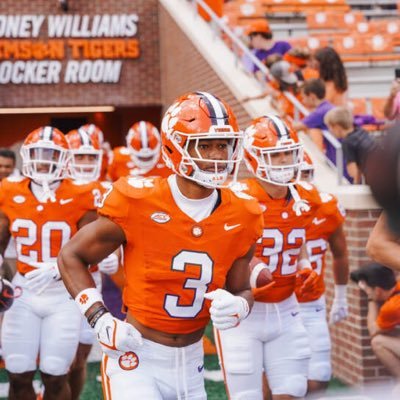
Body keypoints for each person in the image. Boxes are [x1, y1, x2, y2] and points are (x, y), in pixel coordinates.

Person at [58, 91, 264, 400]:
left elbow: (240, 288)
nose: (218, 156)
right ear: (174, 146)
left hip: (192, 362)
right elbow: (71, 254)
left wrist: (242, 305)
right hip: (137, 354)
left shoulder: (244, 213)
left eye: (223, 145)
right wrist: (98, 316)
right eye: (204, 145)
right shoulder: (137, 200)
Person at [216, 115, 321, 400]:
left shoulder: (307, 197)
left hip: (287, 309)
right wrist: (247, 267)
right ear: (253, 158)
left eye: (289, 152)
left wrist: (304, 266)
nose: (286, 160)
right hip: (243, 314)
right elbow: (216, 250)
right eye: (276, 154)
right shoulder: (236, 198)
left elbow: (297, 239)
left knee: (293, 391)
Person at [0, 126, 99, 400]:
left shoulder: (83, 192)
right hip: (24, 291)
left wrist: (59, 268)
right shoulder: (8, 189)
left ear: (65, 158)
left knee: (55, 375)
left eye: (51, 154)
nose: (43, 160)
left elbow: (93, 248)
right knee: (18, 372)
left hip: (63, 294)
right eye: (37, 153)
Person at [65, 127, 119, 400]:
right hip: (58, 282)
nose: (86, 163)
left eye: (90, 157)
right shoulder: (55, 189)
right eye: (80, 157)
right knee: (61, 360)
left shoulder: (107, 190)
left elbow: (124, 234)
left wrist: (115, 257)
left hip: (92, 281)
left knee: (81, 355)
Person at [296, 153, 349, 395]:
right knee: (281, 382)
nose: (304, 180)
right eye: (298, 173)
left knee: (319, 377)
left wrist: (341, 296)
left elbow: (340, 254)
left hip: (312, 301)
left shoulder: (327, 205)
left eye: (308, 173)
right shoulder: (267, 206)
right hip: (276, 303)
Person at [350, 263, 400, 379]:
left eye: (367, 290)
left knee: (377, 342)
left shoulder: (391, 307)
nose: (367, 292)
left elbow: (373, 330)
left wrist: (371, 299)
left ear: (377, 290)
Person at [324, 106, 377, 184]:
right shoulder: (360, 131)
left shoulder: (347, 142)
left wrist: (355, 186)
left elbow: (353, 172)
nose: (330, 131)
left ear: (337, 127)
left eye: (330, 127)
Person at [293, 78, 334, 153]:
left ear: (312, 96)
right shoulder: (328, 107)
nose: (303, 101)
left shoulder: (320, 112)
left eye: (304, 97)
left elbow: (294, 128)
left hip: (336, 155)